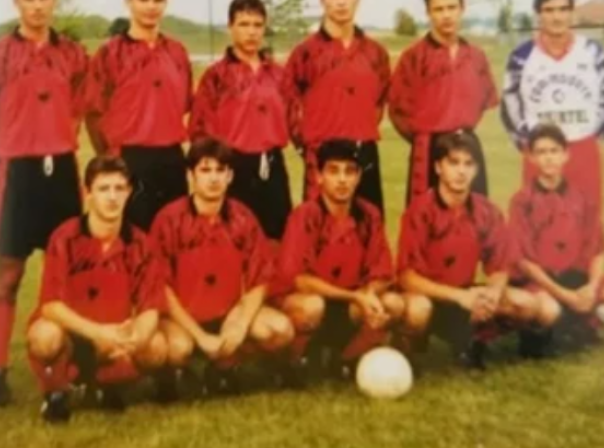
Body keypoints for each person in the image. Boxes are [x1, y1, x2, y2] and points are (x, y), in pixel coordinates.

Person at [0, 0, 88, 406]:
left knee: (70, 276)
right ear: (16, 1)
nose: (37, 6)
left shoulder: (73, 54)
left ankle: (72, 365)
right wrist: (3, 165)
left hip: (59, 169)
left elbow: (79, 110)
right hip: (18, 171)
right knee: (9, 272)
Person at [26, 156, 167, 422]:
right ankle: (56, 392)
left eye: (118, 188)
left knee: (157, 347)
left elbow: (151, 307)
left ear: (128, 192)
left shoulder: (140, 243)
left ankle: (108, 383)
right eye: (103, 189)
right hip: (75, 333)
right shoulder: (64, 237)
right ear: (87, 193)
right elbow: (51, 305)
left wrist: (132, 340)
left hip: (116, 332)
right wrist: (98, 333)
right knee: (44, 336)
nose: (112, 197)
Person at [151, 138, 293, 398]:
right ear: (190, 175)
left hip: (228, 314)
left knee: (280, 330)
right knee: (177, 348)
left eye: (220, 171)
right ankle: (176, 373)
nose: (213, 178)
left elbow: (261, 277)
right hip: (185, 319)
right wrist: (198, 335)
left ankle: (227, 365)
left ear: (230, 176)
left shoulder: (243, 217)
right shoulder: (168, 220)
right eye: (205, 170)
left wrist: (239, 324)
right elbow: (162, 287)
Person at [277, 140, 430, 374]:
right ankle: (294, 363)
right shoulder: (304, 216)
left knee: (392, 304)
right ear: (318, 177)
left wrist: (368, 296)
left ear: (358, 177)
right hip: (314, 305)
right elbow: (300, 280)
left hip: (351, 307)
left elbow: (383, 273)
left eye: (350, 171)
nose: (342, 179)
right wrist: (354, 295)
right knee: (311, 307)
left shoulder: (369, 215)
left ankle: (348, 361)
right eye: (333, 171)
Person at [398, 132, 544, 370]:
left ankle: (474, 340)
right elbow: (407, 277)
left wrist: (493, 293)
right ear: (437, 167)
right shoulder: (420, 210)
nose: (461, 171)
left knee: (527, 304)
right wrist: (459, 297)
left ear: (476, 170)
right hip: (430, 297)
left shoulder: (486, 210)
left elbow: (499, 264)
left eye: (469, 164)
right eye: (453, 163)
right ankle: (408, 347)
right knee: (418, 310)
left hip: (464, 294)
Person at [86, 0, 192, 231]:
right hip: (129, 156)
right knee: (132, 240)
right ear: (129, 1)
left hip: (170, 157)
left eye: (158, 0)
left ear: (165, 3)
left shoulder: (177, 52)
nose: (151, 7)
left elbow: (185, 105)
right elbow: (93, 112)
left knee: (173, 238)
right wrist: (110, 159)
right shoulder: (110, 53)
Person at [282, 0, 390, 211]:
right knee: (320, 238)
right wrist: (309, 149)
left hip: (365, 157)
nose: (341, 2)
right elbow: (288, 105)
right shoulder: (305, 54)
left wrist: (357, 131)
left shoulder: (376, 53)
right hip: (323, 159)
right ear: (322, 0)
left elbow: (378, 104)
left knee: (367, 234)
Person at [189, 0, 292, 240]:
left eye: (257, 25)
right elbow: (199, 129)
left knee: (276, 239)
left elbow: (295, 120)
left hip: (272, 165)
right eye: (244, 25)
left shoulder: (278, 75)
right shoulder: (217, 76)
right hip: (233, 167)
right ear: (230, 28)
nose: (251, 32)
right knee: (232, 240)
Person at [389, 0, 498, 205]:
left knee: (473, 224)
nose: (446, 15)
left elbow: (483, 103)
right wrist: (427, 138)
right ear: (428, 12)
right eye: (438, 9)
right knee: (427, 226)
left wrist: (461, 133)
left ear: (462, 8)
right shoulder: (413, 57)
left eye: (452, 7)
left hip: (468, 148)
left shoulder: (476, 57)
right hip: (429, 149)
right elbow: (398, 111)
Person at [501, 0, 604, 220]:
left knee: (586, 226)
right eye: (549, 10)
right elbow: (510, 103)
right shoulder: (521, 57)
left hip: (581, 148)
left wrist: (593, 133)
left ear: (572, 11)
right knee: (539, 226)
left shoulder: (593, 53)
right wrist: (527, 141)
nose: (557, 17)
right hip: (540, 153)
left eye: (563, 9)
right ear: (538, 14)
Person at [509, 124, 604, 355]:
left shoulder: (582, 199)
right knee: (549, 310)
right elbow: (523, 262)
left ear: (565, 155)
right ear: (530, 157)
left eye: (554, 151)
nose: (549, 158)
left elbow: (598, 251)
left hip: (575, 277)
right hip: (542, 282)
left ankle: (575, 325)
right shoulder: (522, 201)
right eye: (541, 152)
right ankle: (541, 331)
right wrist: (566, 296)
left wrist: (591, 287)